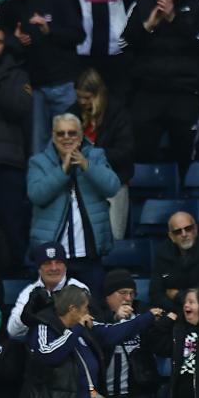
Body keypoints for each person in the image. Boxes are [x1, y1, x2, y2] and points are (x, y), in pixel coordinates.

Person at [12, 285, 158, 398]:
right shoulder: (44, 327)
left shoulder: (85, 327)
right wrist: (75, 331)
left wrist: (148, 318)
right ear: (72, 309)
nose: (89, 313)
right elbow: (49, 354)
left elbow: (112, 332)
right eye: (86, 308)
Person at [118, 0, 199, 166]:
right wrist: (149, 25)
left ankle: (184, 198)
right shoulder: (142, 6)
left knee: (184, 155)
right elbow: (122, 44)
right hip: (148, 92)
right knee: (142, 154)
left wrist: (174, 19)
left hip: (185, 91)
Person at [27, 112, 119, 297]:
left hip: (90, 256)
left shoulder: (96, 156)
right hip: (53, 259)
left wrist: (86, 165)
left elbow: (112, 186)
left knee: (93, 313)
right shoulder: (39, 162)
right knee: (52, 315)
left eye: (72, 133)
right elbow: (37, 195)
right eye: (61, 133)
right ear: (53, 136)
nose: (66, 138)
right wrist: (63, 170)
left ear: (81, 135)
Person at [0, 0, 83, 155]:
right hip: (33, 87)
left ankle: (72, 187)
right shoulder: (8, 8)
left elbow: (78, 35)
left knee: (71, 149)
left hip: (64, 84)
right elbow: (4, 44)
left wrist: (49, 31)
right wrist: (15, 41)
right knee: (38, 150)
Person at [70, 67, 135, 240]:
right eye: (79, 97)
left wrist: (92, 157)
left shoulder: (118, 113)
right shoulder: (72, 113)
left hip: (113, 181)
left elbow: (125, 152)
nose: (82, 102)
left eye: (87, 98)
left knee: (113, 236)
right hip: (82, 183)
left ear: (98, 94)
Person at [98, 268, 158, 398]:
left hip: (137, 389)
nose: (128, 298)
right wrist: (115, 318)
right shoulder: (98, 316)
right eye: (123, 293)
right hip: (105, 391)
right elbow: (101, 338)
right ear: (108, 295)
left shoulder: (143, 312)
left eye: (132, 293)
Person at [0, 25, 33, 263]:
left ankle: (17, 269)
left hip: (7, 159)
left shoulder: (17, 74)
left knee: (11, 220)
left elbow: (18, 108)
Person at [7, 241, 91, 339]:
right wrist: (25, 317)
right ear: (39, 268)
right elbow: (12, 331)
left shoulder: (79, 289)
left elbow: (86, 325)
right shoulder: (29, 292)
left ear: (65, 266)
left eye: (58, 262)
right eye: (47, 263)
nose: (54, 268)